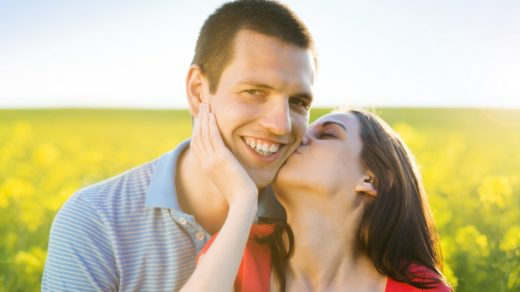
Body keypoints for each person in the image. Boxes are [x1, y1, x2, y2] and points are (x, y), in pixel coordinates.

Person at [42, 1, 316, 290]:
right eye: (255, 92)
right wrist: (243, 201)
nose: (281, 125)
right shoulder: (96, 221)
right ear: (198, 92)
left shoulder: (306, 219)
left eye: (298, 102)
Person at [192, 107, 452, 291]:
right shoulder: (238, 252)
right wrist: (243, 199)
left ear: (371, 180)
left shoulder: (420, 289)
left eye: (327, 134)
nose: (297, 136)